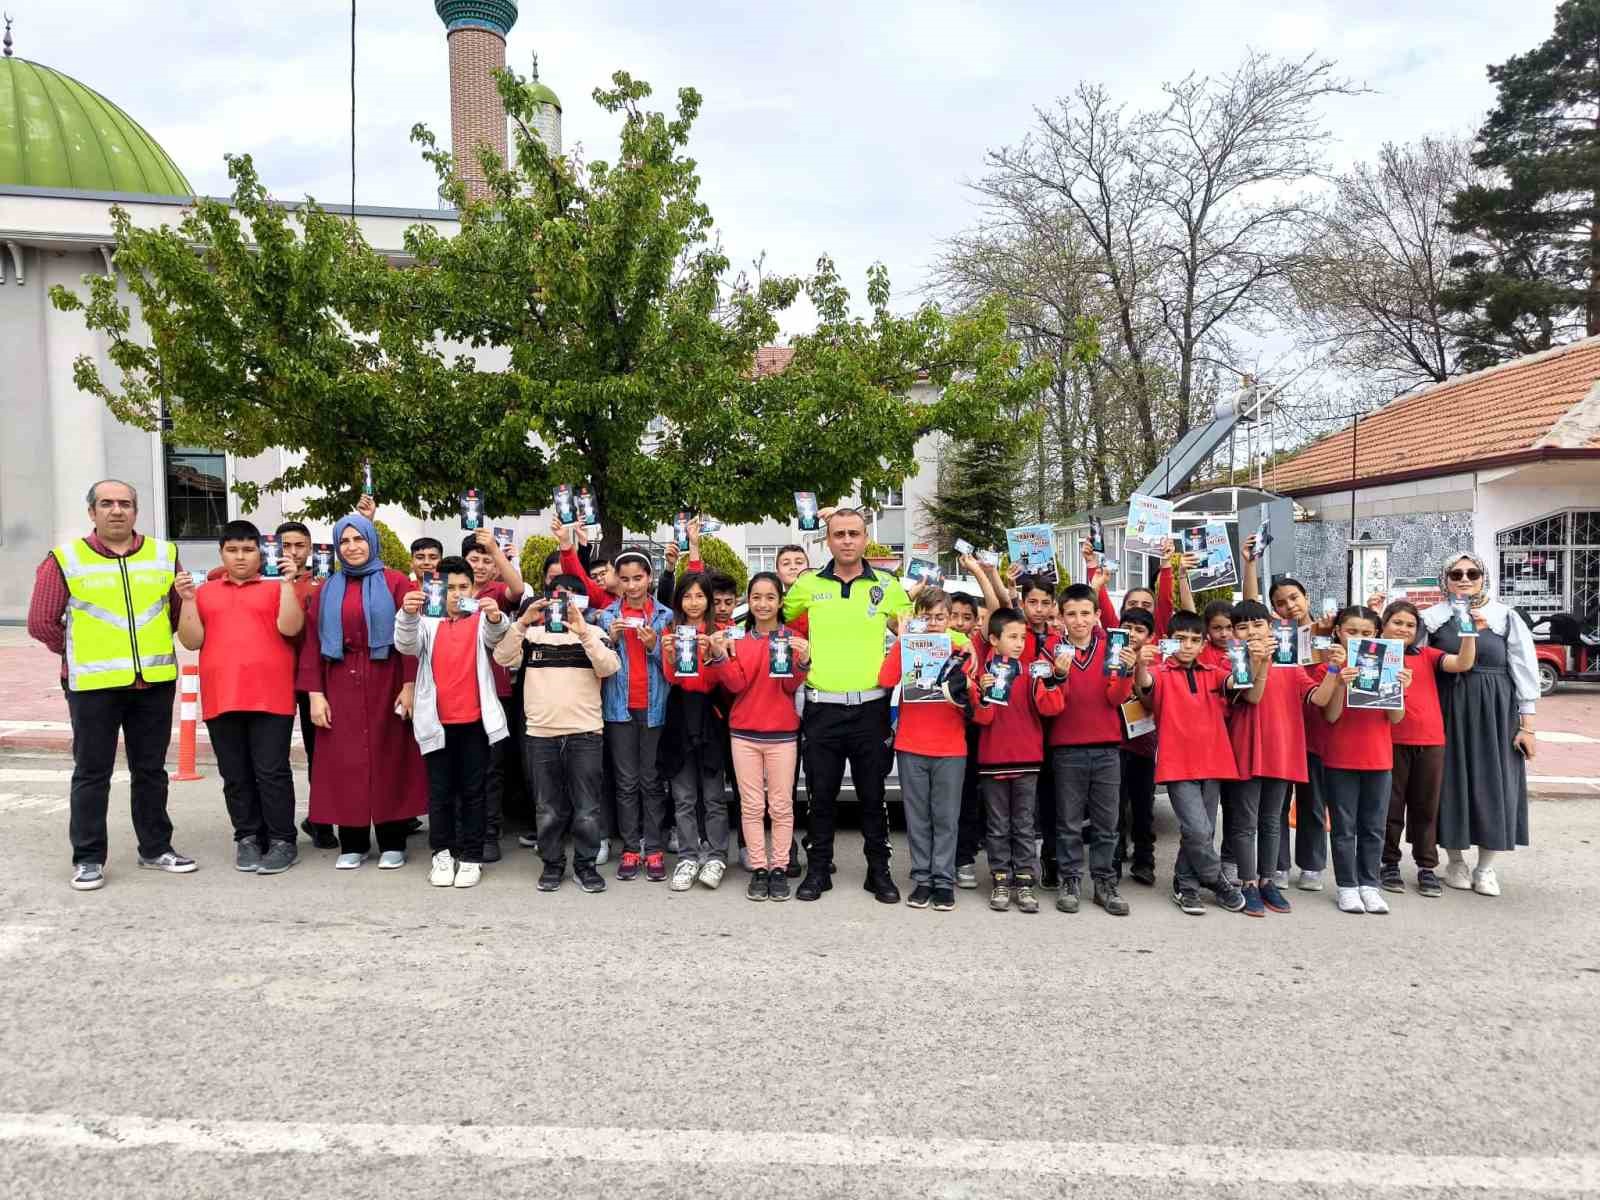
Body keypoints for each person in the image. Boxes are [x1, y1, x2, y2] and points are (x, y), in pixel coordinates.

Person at [28, 479, 196, 891]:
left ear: (136, 511)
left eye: (125, 503)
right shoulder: (65, 559)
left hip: (153, 682)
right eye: (106, 504)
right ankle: (87, 858)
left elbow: (176, 615)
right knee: (92, 772)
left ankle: (156, 848)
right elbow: (41, 622)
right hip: (93, 687)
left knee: (151, 771)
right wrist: (75, 652)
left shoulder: (163, 555)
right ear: (92, 512)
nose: (116, 510)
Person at [782, 508, 912, 903]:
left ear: (865, 537)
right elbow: (776, 621)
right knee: (821, 797)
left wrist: (961, 647)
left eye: (854, 533)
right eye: (838, 533)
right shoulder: (806, 586)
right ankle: (818, 871)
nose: (847, 540)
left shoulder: (888, 586)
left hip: (871, 708)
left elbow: (922, 633)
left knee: (872, 797)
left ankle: (879, 872)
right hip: (822, 708)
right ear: (827, 539)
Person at [297, 514, 428, 870]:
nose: (352, 547)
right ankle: (351, 842)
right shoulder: (327, 588)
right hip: (339, 680)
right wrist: (314, 693)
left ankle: (392, 841)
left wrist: (410, 684)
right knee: (344, 761)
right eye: (345, 542)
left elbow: (413, 635)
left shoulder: (395, 582)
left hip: (388, 676)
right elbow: (311, 643)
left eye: (359, 539)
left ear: (372, 541)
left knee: (390, 758)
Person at [176, 520, 305, 876]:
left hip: (272, 696)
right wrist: (187, 600)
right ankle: (248, 836)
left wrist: (290, 585)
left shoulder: (276, 588)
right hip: (222, 695)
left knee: (272, 772)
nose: (240, 557)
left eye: (248, 549)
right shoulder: (205, 592)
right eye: (232, 550)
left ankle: (282, 840)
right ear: (222, 553)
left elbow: (291, 628)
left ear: (260, 552)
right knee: (235, 774)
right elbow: (191, 640)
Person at [1423, 552, 1539, 896]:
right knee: (1447, 782)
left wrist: (1527, 726)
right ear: (1445, 578)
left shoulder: (1504, 616)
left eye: (1472, 573)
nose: (1464, 578)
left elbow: (1523, 668)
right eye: (1456, 573)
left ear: (1483, 577)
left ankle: (1486, 867)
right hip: (1447, 710)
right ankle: (1454, 860)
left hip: (1495, 712)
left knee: (1495, 783)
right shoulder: (1430, 618)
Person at [495, 577, 620, 894]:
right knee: (548, 808)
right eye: (557, 598)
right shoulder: (532, 635)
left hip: (585, 733)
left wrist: (583, 632)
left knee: (587, 808)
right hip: (540, 734)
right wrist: (522, 621)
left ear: (581, 602)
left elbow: (608, 667)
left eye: (571, 598)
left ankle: (585, 865)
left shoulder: (596, 633)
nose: (564, 605)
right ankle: (552, 864)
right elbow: (503, 657)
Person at [395, 555, 511, 890]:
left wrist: (494, 615)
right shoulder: (427, 622)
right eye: (450, 588)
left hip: (474, 722)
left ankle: (472, 856)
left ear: (474, 588)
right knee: (440, 793)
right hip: (436, 722)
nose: (457, 594)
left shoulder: (479, 620)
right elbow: (404, 644)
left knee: (474, 792)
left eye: (464, 586)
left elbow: (496, 635)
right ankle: (442, 853)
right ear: (437, 590)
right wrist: (407, 613)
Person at [1221, 600, 1340, 917]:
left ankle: (1267, 880)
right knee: (1245, 822)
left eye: (1257, 625)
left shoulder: (1291, 664)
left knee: (1272, 820)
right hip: (1246, 746)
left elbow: (1319, 698)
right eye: (1242, 627)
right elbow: (1252, 696)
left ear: (1270, 627)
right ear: (1234, 633)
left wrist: (1335, 670)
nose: (1251, 632)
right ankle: (1246, 882)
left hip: (1282, 747)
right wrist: (1260, 662)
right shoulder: (1232, 660)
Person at [1134, 610, 1247, 916]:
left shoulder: (1213, 671)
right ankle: (1216, 880)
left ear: (1203, 644)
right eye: (1180, 639)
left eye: (1195, 640)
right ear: (1169, 641)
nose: (1187, 645)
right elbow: (1145, 683)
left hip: (1214, 761)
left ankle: (1186, 885)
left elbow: (1238, 682)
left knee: (1203, 831)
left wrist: (1253, 659)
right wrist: (1140, 664)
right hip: (1178, 763)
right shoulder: (1159, 671)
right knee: (1197, 830)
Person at [878, 586, 972, 911]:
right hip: (911, 743)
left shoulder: (961, 648)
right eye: (927, 616)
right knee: (917, 818)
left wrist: (964, 672)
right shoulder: (907, 644)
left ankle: (944, 880)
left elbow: (974, 693)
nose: (933, 623)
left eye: (940, 617)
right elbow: (885, 679)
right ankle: (922, 878)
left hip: (950, 746)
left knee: (946, 817)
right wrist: (903, 642)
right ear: (917, 616)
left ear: (950, 619)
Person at [1047, 583, 1136, 917]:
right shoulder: (1052, 650)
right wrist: (1058, 676)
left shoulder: (1112, 649)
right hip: (1067, 749)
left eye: (1086, 613)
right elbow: (1051, 706)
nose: (1079, 620)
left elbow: (1115, 698)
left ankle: (1104, 882)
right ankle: (1069, 879)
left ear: (1098, 615)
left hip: (1107, 749)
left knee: (1106, 824)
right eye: (1071, 613)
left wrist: (1126, 671)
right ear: (1061, 617)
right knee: (1069, 822)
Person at [1379, 599, 1478, 897]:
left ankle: (1426, 866)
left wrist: (1468, 631)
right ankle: (1389, 863)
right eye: (1397, 622)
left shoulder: (1427, 655)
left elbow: (1463, 663)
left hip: (1431, 741)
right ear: (1383, 625)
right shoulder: (1372, 654)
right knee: (1391, 809)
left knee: (1426, 808)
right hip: (1390, 740)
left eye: (1410, 625)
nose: (1403, 629)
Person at [971, 607, 1066, 914]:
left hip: (1026, 760)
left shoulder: (1032, 671)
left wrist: (1053, 679)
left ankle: (1024, 881)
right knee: (998, 826)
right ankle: (1001, 878)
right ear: (994, 639)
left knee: (1024, 825)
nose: (1019, 643)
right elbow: (982, 719)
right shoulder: (984, 673)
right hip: (993, 760)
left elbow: (1051, 709)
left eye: (1023, 637)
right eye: (1011, 637)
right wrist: (983, 694)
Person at [1319, 605, 1411, 915]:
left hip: (1379, 758)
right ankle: (1347, 887)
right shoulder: (1331, 668)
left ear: (1377, 635)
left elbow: (1396, 719)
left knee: (1373, 827)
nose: (1358, 638)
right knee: (1344, 827)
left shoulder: (1390, 665)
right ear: (1338, 633)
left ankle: (1369, 886)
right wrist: (1339, 682)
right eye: (1351, 632)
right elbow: (1330, 716)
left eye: (1366, 633)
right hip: (1340, 757)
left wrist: (1398, 688)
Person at [592, 549, 675, 881]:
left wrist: (655, 644)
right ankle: (630, 848)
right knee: (625, 783)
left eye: (638, 578)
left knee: (651, 781)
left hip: (655, 709)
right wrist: (609, 641)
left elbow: (674, 670)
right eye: (624, 579)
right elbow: (598, 664)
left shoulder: (666, 617)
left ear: (650, 578)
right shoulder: (606, 616)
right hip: (618, 709)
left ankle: (653, 849)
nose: (631, 585)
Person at [661, 572, 733, 891]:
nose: (694, 602)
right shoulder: (671, 631)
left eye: (700, 596)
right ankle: (688, 856)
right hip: (680, 715)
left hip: (711, 716)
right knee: (684, 796)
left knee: (714, 795)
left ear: (708, 600)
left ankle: (716, 856)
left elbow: (716, 683)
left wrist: (712, 654)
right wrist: (673, 654)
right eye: (687, 596)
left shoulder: (721, 632)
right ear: (679, 601)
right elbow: (673, 678)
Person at [461, 529, 526, 864]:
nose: (482, 565)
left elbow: (518, 590)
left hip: (495, 691)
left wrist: (497, 551)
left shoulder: (496, 592)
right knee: (460, 764)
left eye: (487, 560)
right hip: (455, 690)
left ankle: (489, 832)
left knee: (492, 766)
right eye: (475, 559)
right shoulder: (449, 592)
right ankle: (462, 829)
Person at [1113, 609, 1159, 885]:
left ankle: (1145, 860)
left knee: (1143, 806)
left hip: (1143, 744)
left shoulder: (1154, 662)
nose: (1133, 634)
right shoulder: (1111, 656)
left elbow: (1152, 700)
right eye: (1127, 627)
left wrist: (1138, 670)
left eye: (1140, 630)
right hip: (1113, 744)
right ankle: (1115, 857)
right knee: (1114, 806)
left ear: (1150, 636)